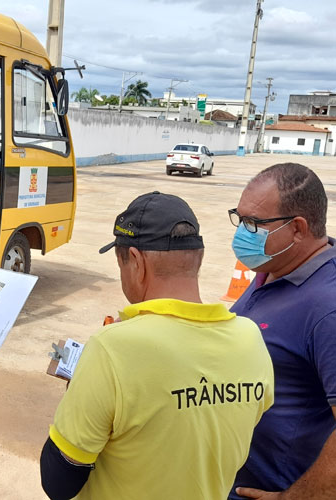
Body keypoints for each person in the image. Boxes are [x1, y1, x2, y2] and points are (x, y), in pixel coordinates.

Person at [40, 191, 274, 500]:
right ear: (198, 257)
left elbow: (58, 483)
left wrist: (81, 392)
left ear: (135, 262)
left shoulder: (112, 348)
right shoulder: (250, 338)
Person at [229, 163, 336, 500]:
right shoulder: (273, 269)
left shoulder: (327, 307)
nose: (242, 233)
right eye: (240, 218)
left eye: (254, 224)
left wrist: (297, 496)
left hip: (276, 486)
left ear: (298, 229)